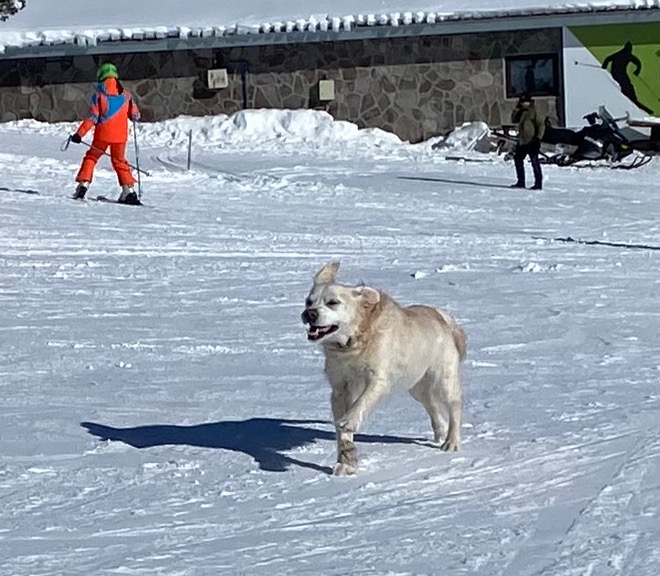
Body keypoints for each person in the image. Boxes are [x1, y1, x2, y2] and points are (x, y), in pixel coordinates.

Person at [70, 63, 141, 204]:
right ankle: (129, 191)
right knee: (120, 161)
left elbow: (93, 118)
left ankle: (83, 185)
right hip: (121, 136)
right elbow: (135, 115)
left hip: (103, 134)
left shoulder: (99, 95)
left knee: (92, 157)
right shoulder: (127, 96)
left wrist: (79, 134)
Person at [510, 93, 545, 190]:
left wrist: (538, 138)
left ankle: (538, 183)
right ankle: (521, 181)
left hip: (532, 140)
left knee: (534, 162)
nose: (523, 104)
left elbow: (541, 125)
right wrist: (516, 110)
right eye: (522, 102)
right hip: (522, 141)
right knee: (518, 159)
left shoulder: (534, 111)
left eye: (525, 102)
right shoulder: (521, 112)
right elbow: (514, 120)